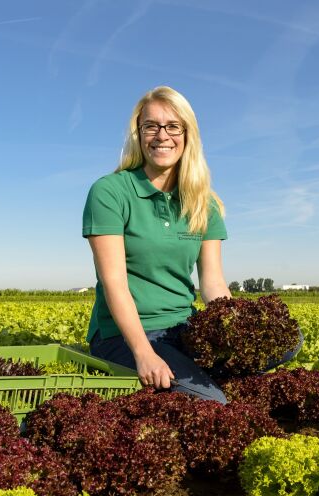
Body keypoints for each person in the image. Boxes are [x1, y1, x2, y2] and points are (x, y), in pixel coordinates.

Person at [82, 86, 301, 403]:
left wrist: (234, 329)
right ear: (138, 134)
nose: (162, 136)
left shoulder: (204, 202)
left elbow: (212, 283)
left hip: (183, 328)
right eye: (151, 126)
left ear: (187, 135)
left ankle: (198, 377)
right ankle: (198, 383)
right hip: (125, 334)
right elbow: (113, 282)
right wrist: (143, 353)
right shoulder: (110, 191)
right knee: (214, 404)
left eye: (173, 126)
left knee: (289, 340)